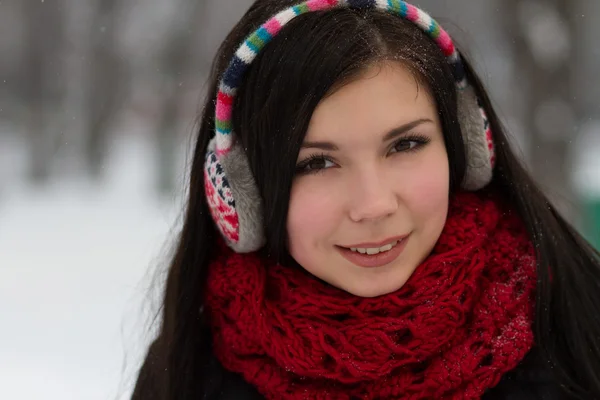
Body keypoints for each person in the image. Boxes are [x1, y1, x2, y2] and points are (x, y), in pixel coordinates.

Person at [131, 0, 600, 399]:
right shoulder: (186, 372)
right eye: (315, 163)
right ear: (241, 193)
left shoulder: (579, 334)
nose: (373, 205)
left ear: (467, 149)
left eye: (405, 145)